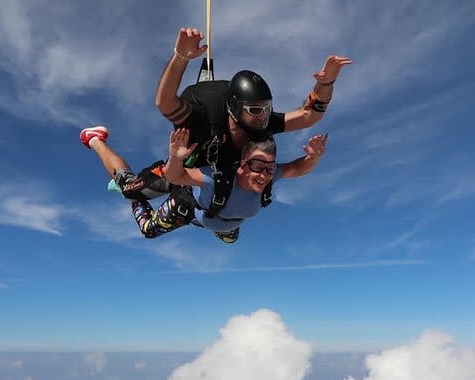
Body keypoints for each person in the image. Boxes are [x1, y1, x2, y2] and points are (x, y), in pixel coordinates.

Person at [113, 27, 350, 202]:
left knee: (227, 213)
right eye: (256, 110)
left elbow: (309, 115)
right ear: (234, 109)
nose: (263, 117)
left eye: (267, 109)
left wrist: (326, 83)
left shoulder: (262, 124)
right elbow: (164, 103)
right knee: (130, 191)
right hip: (184, 168)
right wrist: (181, 57)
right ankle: (95, 140)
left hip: (215, 181)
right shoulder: (206, 117)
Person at [80, 126, 327, 243]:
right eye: (257, 167)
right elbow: (177, 177)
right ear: (242, 164)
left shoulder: (269, 176)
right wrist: (176, 158)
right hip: (186, 206)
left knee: (231, 238)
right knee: (146, 225)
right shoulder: (214, 178)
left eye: (269, 168)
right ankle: (95, 140)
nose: (264, 175)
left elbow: (297, 168)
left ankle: (219, 225)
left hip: (219, 219)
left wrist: (313, 157)